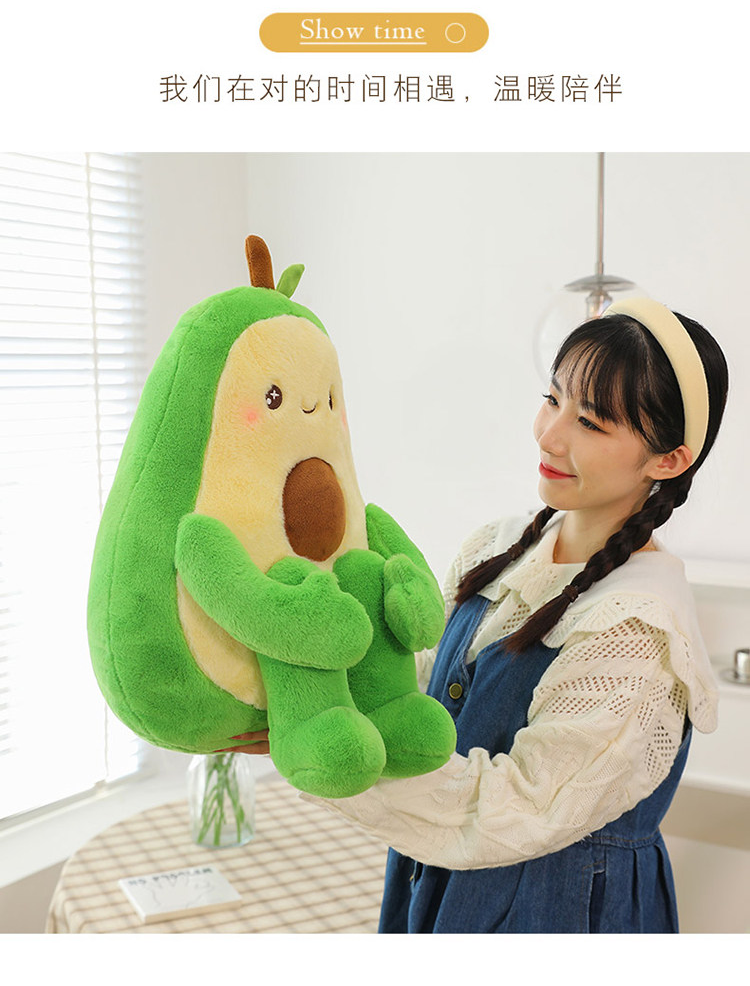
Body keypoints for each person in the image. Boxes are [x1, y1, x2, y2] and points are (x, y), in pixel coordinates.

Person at [224, 298, 729, 934]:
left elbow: (513, 809)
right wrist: (308, 699)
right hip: (438, 881)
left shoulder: (637, 630)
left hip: (557, 915)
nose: (549, 435)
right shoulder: (498, 546)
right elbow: (427, 678)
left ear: (669, 460)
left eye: (591, 422)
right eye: (552, 398)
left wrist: (334, 764)